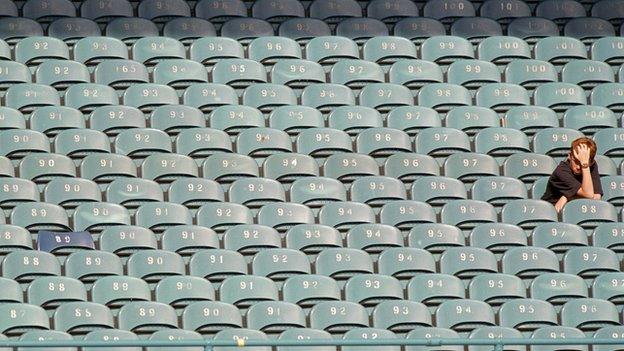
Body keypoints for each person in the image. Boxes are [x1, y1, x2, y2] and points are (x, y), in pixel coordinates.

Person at [541, 137, 603, 213]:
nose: (578, 167)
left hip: (577, 210)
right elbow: (589, 195)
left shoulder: (591, 165)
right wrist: (584, 165)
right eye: (576, 161)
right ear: (569, 156)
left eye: (582, 163)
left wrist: (566, 197)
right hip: (553, 212)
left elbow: (596, 197)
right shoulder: (561, 172)